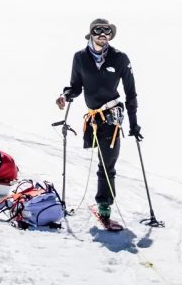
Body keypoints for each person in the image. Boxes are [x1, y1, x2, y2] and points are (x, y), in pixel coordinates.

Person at [55, 18, 140, 226]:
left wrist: (134, 124)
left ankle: (104, 207)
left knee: (107, 164)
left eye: (107, 31)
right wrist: (66, 96)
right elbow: (75, 86)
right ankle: (103, 206)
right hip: (93, 118)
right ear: (91, 33)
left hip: (112, 119)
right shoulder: (80, 58)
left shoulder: (120, 58)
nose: (103, 33)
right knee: (103, 161)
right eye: (98, 30)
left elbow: (131, 93)